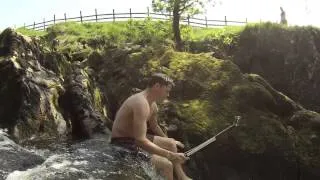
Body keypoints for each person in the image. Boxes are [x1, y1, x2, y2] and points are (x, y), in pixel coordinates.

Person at [111, 73, 192, 180]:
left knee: (171, 143)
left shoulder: (152, 105)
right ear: (157, 86)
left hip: (133, 138)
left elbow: (154, 126)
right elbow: (140, 140)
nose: (168, 95)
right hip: (122, 144)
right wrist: (171, 155)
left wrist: (169, 140)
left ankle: (181, 176)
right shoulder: (140, 103)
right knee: (166, 165)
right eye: (167, 91)